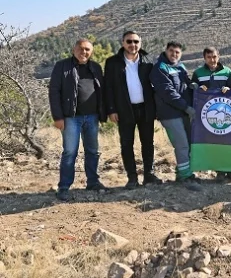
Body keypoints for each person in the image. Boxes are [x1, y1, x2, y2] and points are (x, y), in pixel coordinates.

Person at [49, 38, 108, 201]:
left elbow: (102, 91)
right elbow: (54, 92)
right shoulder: (62, 66)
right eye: (81, 49)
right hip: (70, 118)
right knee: (69, 152)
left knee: (92, 151)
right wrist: (58, 117)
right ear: (74, 50)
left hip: (92, 117)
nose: (84, 52)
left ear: (92, 51)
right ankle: (64, 187)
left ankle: (93, 182)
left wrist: (104, 113)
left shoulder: (95, 67)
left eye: (87, 50)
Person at [104, 31, 162, 190]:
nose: (133, 44)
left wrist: (157, 108)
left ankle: (149, 175)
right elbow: (108, 88)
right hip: (124, 110)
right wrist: (111, 109)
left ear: (140, 43)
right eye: (129, 41)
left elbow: (156, 86)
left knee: (148, 144)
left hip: (146, 108)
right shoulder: (112, 62)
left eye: (136, 41)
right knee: (126, 144)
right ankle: (132, 178)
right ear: (123, 43)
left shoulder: (149, 60)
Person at [150, 42, 201, 191]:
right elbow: (168, 92)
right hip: (170, 113)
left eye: (177, 52)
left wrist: (192, 85)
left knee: (189, 143)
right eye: (171, 51)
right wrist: (186, 107)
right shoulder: (159, 68)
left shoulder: (180, 67)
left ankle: (183, 172)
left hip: (183, 112)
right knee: (181, 144)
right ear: (166, 51)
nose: (174, 54)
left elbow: (185, 84)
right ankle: (185, 176)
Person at [191, 46, 231, 182]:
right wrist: (197, 87)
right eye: (209, 57)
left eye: (214, 57)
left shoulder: (227, 71)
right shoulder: (198, 72)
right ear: (204, 58)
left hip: (226, 113)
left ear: (219, 56)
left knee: (229, 142)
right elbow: (192, 85)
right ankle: (220, 171)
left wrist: (229, 88)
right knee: (214, 142)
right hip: (207, 115)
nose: (212, 60)